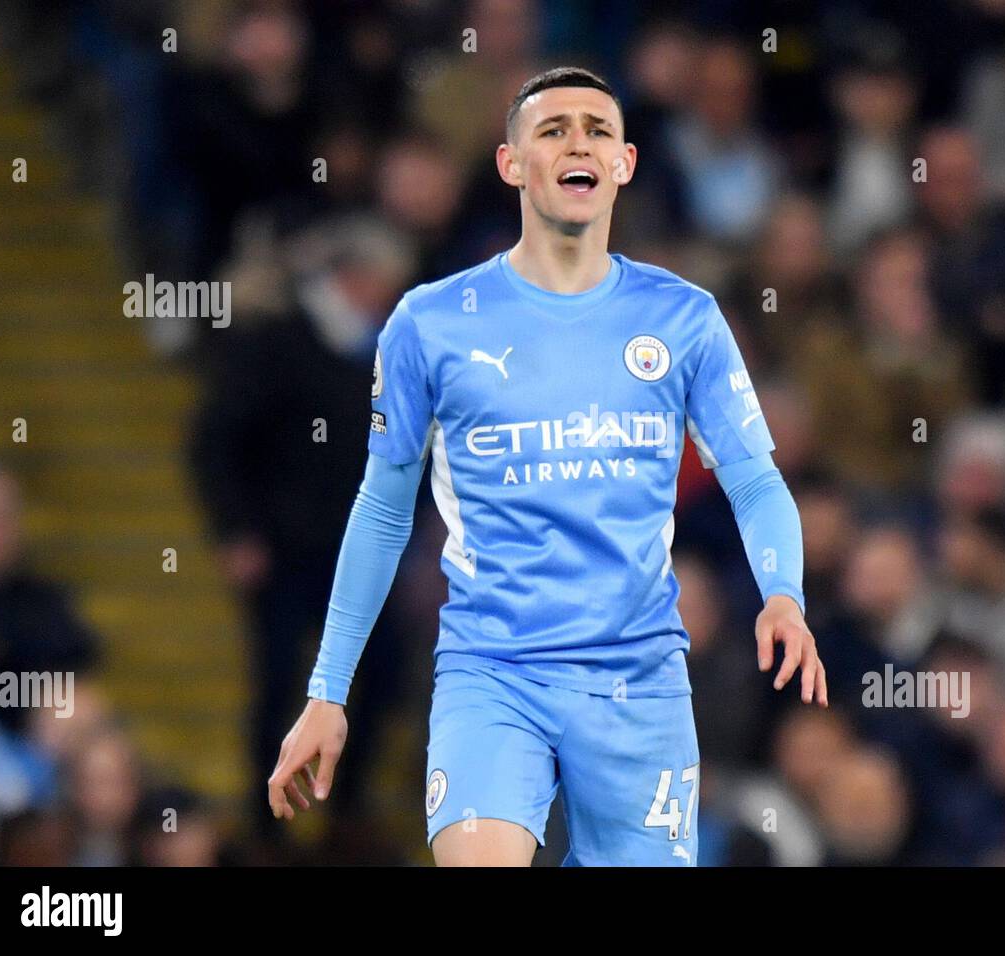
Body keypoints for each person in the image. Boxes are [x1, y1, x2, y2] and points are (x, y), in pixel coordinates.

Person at [266, 67, 825, 866]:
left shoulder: (685, 320)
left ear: (625, 163)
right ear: (511, 164)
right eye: (554, 128)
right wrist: (328, 691)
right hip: (493, 671)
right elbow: (384, 509)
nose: (578, 143)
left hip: (640, 683)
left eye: (597, 129)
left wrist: (784, 596)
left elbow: (754, 478)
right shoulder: (431, 324)